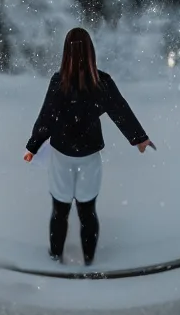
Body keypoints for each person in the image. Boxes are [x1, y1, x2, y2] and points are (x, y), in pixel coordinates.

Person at [23, 27, 155, 266]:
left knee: (60, 211)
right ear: (91, 52)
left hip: (63, 156)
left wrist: (33, 146)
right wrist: (139, 138)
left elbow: (46, 118)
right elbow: (120, 111)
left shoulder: (60, 82)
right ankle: (88, 259)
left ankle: (55, 258)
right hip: (88, 157)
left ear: (65, 53)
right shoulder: (100, 83)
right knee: (87, 212)